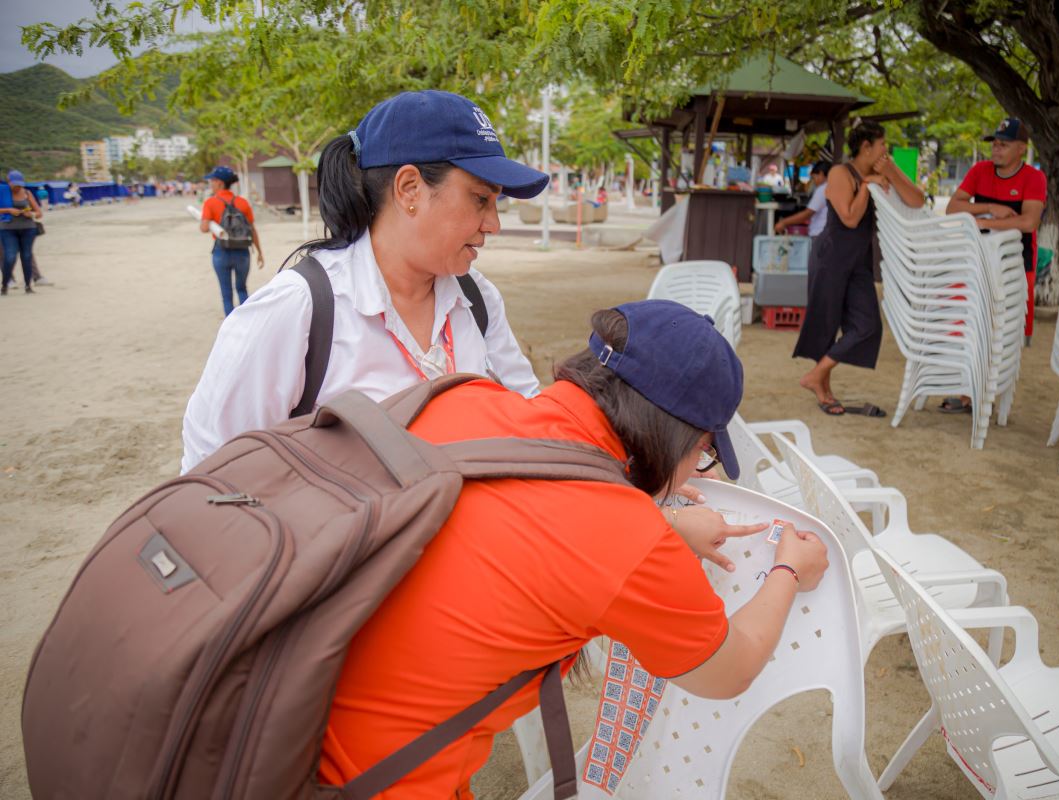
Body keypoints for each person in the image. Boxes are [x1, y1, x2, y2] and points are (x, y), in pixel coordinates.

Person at [318, 299, 831, 797]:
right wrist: (789, 568)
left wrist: (663, 525)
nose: (694, 470)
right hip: (378, 783)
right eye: (702, 453)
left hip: (282, 714)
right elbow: (730, 669)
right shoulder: (626, 537)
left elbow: (514, 518)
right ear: (674, 436)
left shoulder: (462, 397)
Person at [181, 90, 547, 472]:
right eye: (479, 199)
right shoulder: (298, 310)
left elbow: (529, 418)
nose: (494, 225)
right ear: (410, 189)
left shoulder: (478, 298)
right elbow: (210, 473)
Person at [792, 122, 925, 416]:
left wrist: (891, 173)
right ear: (866, 147)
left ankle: (816, 376)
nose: (885, 151)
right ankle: (823, 389)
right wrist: (867, 185)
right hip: (831, 256)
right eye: (882, 145)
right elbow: (850, 218)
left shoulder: (882, 172)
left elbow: (916, 201)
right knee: (825, 324)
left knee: (867, 326)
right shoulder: (841, 173)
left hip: (859, 261)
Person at [943, 117, 1047, 413]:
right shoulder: (980, 171)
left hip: (1016, 266)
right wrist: (989, 208)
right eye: (995, 143)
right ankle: (967, 391)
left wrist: (982, 222)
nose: (996, 149)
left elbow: (1029, 222)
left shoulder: (1034, 178)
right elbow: (953, 207)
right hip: (976, 262)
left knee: (1003, 332)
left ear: (1021, 149)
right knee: (967, 324)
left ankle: (988, 393)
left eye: (1004, 144)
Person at [198, 165, 265, 316]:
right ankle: (247, 323)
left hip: (221, 252)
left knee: (226, 294)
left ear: (220, 183)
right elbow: (252, 229)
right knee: (242, 289)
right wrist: (260, 252)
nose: (211, 184)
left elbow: (203, 228)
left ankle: (231, 328)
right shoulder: (243, 202)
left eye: (212, 181)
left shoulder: (211, 202)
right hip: (242, 252)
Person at [0, 170, 43, 295]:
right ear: (9, 182)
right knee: (10, 256)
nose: (18, 187)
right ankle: (5, 284)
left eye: (20, 184)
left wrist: (31, 214)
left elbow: (39, 213)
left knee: (27, 256)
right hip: (7, 228)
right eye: (15, 184)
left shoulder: (26, 193)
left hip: (28, 228)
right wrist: (8, 210)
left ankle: (28, 286)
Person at [774, 160, 832, 237]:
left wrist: (784, 222)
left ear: (821, 173)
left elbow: (807, 214)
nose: (814, 182)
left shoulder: (822, 189)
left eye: (814, 178)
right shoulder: (832, 187)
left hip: (820, 234)